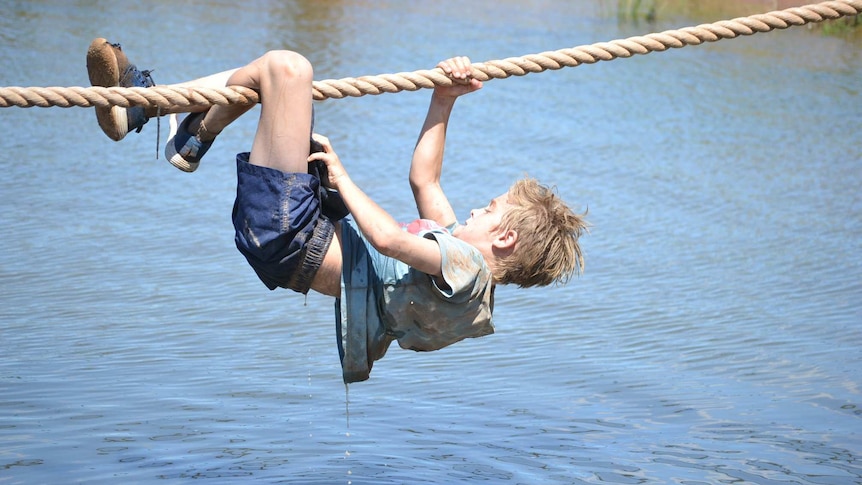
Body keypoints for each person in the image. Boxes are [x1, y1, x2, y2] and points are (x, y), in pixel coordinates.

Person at [86, 38, 589, 383]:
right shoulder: (460, 272)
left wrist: (343, 178)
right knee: (280, 82)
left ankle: (169, 119)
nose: (477, 207)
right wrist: (444, 98)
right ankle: (167, 118)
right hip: (289, 242)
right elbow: (424, 179)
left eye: (490, 208)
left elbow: (391, 240)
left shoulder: (467, 268)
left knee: (289, 69)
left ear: (505, 239)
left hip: (291, 232)